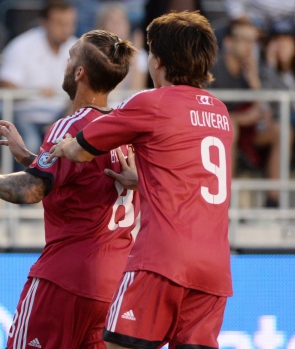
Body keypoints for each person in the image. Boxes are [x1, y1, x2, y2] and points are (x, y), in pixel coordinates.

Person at [48, 11, 232, 348]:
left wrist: (53, 150)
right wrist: (143, 179)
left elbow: (80, 150)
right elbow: (188, 173)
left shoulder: (151, 102)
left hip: (162, 261)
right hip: (215, 269)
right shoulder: (220, 112)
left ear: (157, 61)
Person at [0, 29, 139, 348]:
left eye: (69, 58)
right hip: (115, 287)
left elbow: (31, 191)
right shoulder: (126, 130)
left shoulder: (70, 126)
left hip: (66, 280)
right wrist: (29, 157)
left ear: (79, 73)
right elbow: (86, 179)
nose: (65, 65)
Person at [209, 17, 284, 207]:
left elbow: (267, 112)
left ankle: (273, 201)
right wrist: (239, 118)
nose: (249, 46)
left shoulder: (257, 69)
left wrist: (254, 83)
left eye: (253, 41)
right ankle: (226, 201)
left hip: (249, 129)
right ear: (228, 41)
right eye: (244, 39)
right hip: (218, 132)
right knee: (231, 127)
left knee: (281, 132)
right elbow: (206, 109)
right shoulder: (212, 70)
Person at [0, 0, 77, 155]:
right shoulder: (21, 46)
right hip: (19, 113)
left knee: (79, 138)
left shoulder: (77, 48)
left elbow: (81, 93)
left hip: (59, 115)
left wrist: (61, 122)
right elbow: (6, 86)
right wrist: (35, 93)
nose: (66, 29)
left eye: (69, 23)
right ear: (44, 23)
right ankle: (28, 179)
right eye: (60, 23)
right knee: (30, 142)